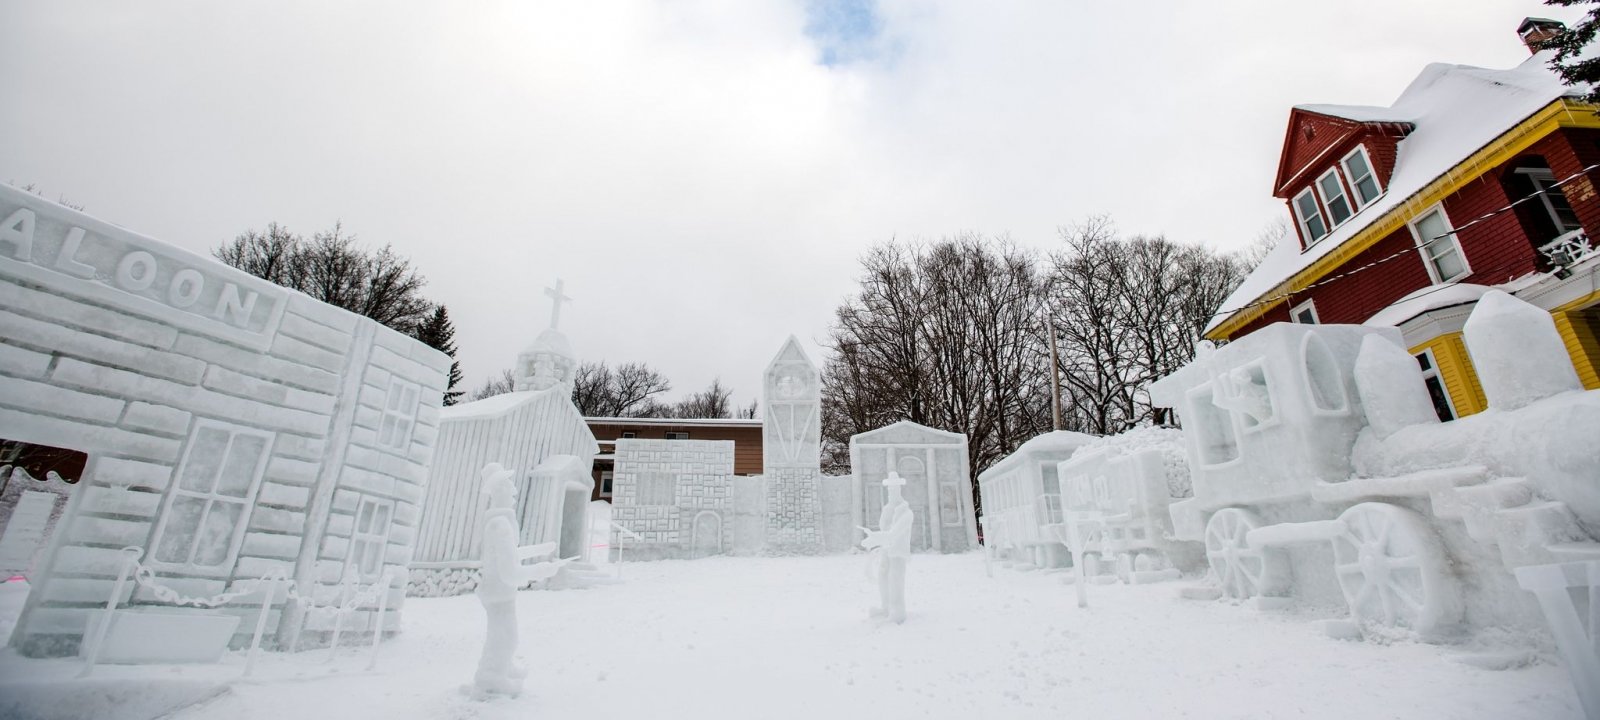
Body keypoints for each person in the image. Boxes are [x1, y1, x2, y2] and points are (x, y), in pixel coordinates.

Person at [471, 462, 566, 699]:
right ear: (498, 490)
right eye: (508, 485)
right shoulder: (500, 525)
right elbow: (510, 572)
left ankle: (502, 667)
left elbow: (510, 554)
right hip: (499, 591)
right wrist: (542, 569)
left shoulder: (500, 522)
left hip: (499, 591)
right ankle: (491, 676)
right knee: (504, 635)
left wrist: (542, 549)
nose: (514, 491)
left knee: (502, 634)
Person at [860, 472, 914, 624]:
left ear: (899, 490)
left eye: (894, 489)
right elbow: (884, 530)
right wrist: (876, 537)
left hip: (897, 552)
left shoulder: (906, 513)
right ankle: (886, 607)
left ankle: (898, 610)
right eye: (889, 489)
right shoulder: (887, 509)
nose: (891, 492)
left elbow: (893, 534)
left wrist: (873, 539)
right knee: (883, 576)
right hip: (886, 550)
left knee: (895, 578)